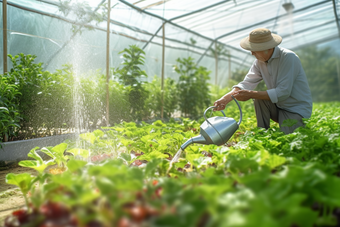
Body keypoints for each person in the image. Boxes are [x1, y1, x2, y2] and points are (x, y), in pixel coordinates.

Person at [214, 28, 312, 134]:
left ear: (267, 48)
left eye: (254, 49)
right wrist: (225, 99)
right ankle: (262, 133)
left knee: (290, 138)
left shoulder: (288, 58)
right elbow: (247, 83)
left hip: (295, 110)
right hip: (279, 108)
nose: (252, 53)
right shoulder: (259, 62)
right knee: (259, 99)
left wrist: (251, 94)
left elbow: (283, 92)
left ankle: (291, 127)